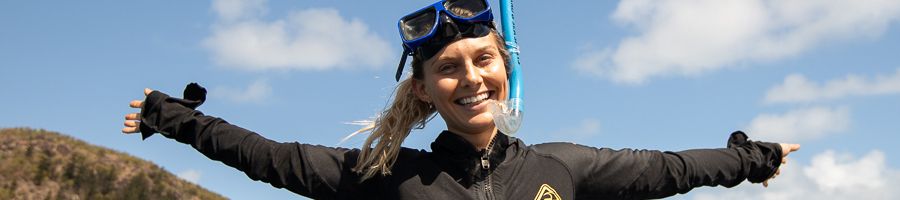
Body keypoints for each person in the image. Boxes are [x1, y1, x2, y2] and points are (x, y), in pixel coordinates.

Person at [122, 0, 800, 199]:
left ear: (505, 70)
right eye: (448, 68)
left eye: (483, 60)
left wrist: (754, 158)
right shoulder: (383, 178)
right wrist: (177, 119)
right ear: (422, 90)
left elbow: (673, 170)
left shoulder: (565, 168)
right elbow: (268, 157)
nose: (471, 78)